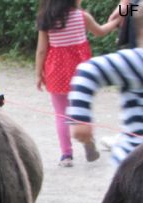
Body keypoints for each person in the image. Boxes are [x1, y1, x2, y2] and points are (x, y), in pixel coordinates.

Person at [42, 2, 143, 203]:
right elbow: (88, 71)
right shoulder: (137, 59)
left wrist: (125, 11)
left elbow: (129, 10)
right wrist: (80, 119)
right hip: (136, 171)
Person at [35, 0, 118, 167]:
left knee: (61, 114)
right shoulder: (82, 17)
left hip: (56, 71)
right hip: (81, 71)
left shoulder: (47, 19)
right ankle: (88, 140)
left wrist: (38, 73)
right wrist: (117, 21)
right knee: (82, 107)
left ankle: (66, 155)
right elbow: (100, 31)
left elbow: (42, 50)